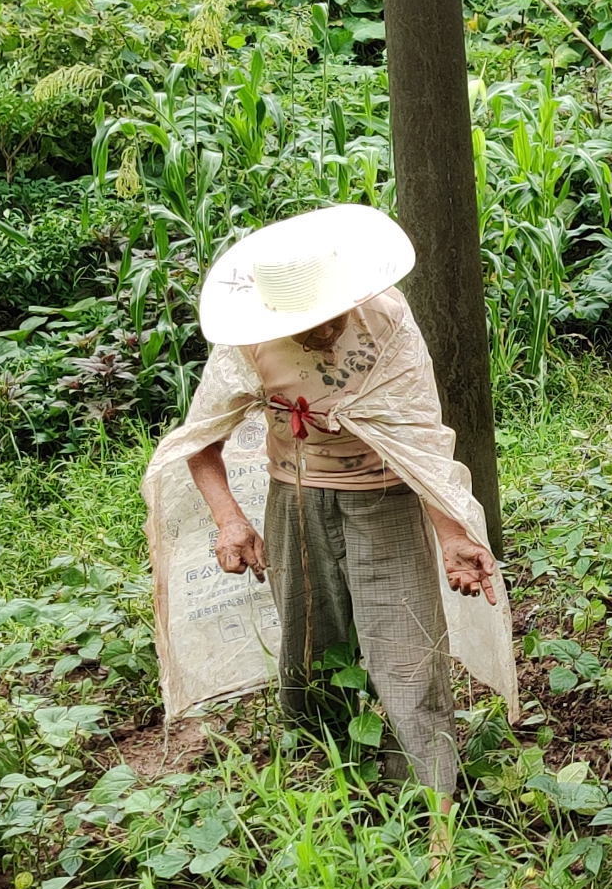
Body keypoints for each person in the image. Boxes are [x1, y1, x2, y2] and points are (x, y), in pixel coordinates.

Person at [142, 205, 513, 856]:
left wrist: (452, 534)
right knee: (310, 657)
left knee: (409, 662)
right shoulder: (250, 341)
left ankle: (435, 829)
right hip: (299, 502)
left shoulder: (386, 325)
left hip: (389, 503)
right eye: (304, 329)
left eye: (329, 322)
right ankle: (344, 794)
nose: (319, 337)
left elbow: (418, 443)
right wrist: (229, 520)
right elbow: (200, 443)